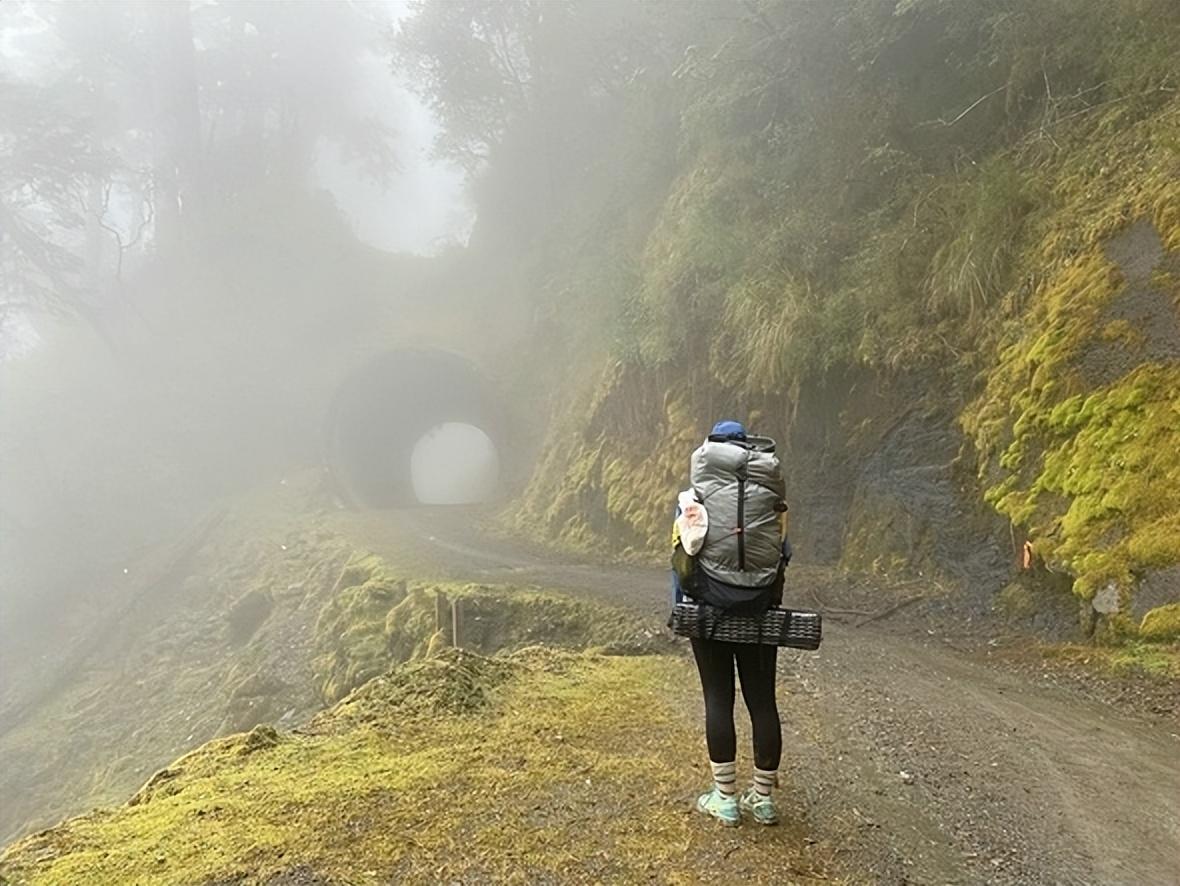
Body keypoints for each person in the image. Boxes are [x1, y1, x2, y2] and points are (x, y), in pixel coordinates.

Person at [675, 419, 790, 827]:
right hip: (759, 608)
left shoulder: (696, 494)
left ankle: (725, 799)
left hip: (710, 606)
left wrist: (682, 608)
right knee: (763, 701)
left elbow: (682, 555)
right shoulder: (770, 492)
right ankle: (763, 800)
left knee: (717, 698)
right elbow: (783, 553)